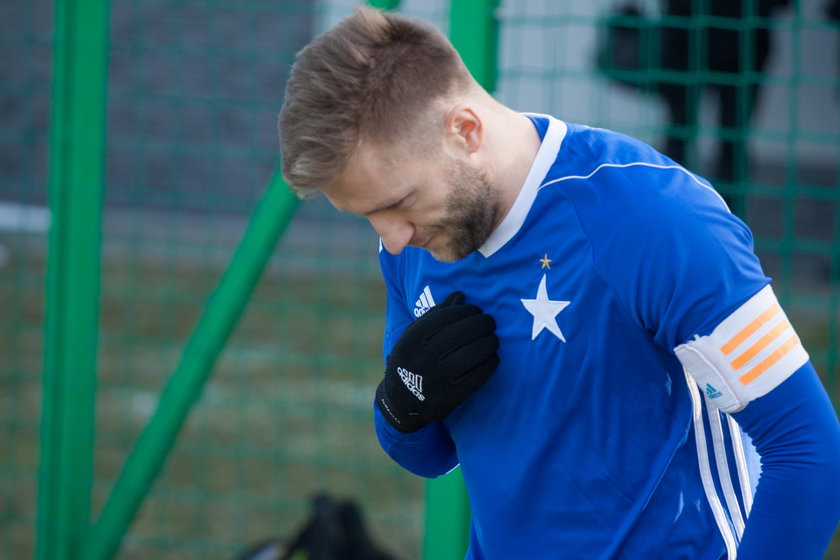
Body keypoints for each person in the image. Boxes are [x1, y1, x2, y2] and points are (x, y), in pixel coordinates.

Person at [278, 6, 840, 559]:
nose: (392, 238)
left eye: (399, 203)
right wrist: (403, 401)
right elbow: (427, 454)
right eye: (368, 216)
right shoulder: (410, 241)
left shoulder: (652, 219)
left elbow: (809, 449)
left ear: (465, 131)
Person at [657, 0, 791, 216]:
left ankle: (710, 214)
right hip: (703, 35)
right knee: (689, 133)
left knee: (717, 138)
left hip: (729, 37)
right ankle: (713, 215)